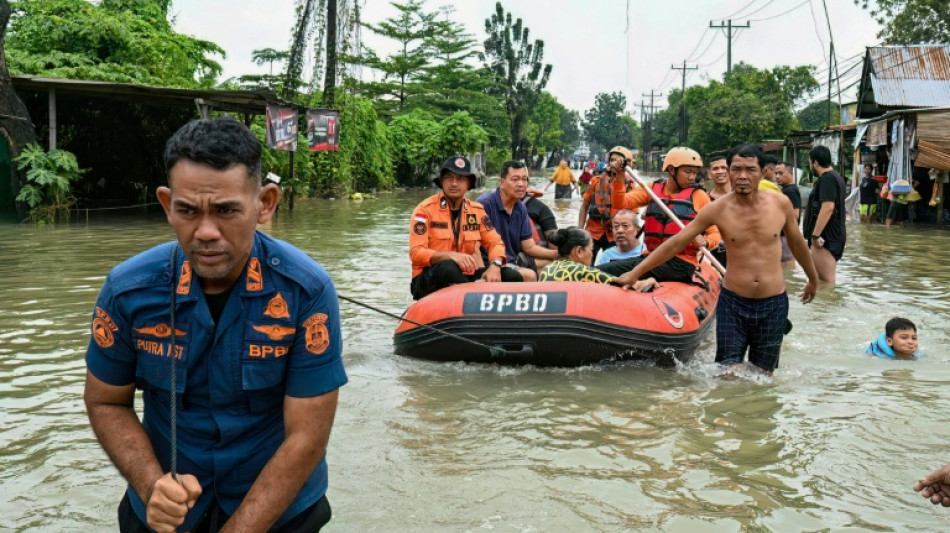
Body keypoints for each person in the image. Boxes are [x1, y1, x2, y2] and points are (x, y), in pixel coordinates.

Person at [83, 117, 347, 533]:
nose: (205, 232)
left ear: (265, 204)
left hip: (278, 513)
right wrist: (151, 485)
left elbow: (307, 437)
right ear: (168, 204)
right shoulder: (127, 290)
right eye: (188, 211)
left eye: (226, 211)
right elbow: (105, 401)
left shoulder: (307, 292)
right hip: (165, 515)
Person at [614, 143, 819, 375]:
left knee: (763, 376)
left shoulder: (780, 203)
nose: (742, 176)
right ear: (729, 171)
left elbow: (798, 243)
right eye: (736, 169)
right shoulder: (717, 209)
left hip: (773, 303)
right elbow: (676, 243)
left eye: (750, 170)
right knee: (726, 373)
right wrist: (634, 273)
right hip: (733, 303)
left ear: (762, 173)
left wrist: (813, 278)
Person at [597, 147, 721, 285]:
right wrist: (619, 177)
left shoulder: (699, 196)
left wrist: (706, 241)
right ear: (672, 170)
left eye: (694, 172)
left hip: (680, 264)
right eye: (687, 172)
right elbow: (620, 203)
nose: (692, 177)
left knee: (611, 272)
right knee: (601, 270)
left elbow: (715, 233)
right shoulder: (652, 188)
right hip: (651, 258)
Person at [409, 156, 523, 299]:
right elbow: (416, 253)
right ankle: (474, 297)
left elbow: (495, 242)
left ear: (469, 184)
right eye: (449, 178)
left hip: (464, 275)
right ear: (442, 182)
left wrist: (495, 265)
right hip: (428, 278)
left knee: (511, 275)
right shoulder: (424, 210)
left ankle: (489, 311)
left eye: (461, 179)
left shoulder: (477, 211)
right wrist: (451, 255)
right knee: (448, 267)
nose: (454, 183)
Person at [478, 161, 559, 280]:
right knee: (529, 275)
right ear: (502, 182)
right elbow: (473, 244)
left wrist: (557, 254)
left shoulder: (520, 208)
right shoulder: (484, 204)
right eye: (515, 179)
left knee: (555, 266)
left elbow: (528, 246)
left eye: (524, 179)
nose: (521, 184)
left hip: (512, 260)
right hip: (490, 263)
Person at [578, 146, 634, 265]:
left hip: (615, 235)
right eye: (612, 160)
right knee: (585, 267)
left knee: (613, 270)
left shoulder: (630, 185)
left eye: (618, 160)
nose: (614, 163)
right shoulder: (596, 181)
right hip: (593, 231)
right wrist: (579, 230)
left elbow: (634, 216)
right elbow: (584, 206)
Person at [802, 145, 847, 284]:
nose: (810, 166)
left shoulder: (828, 179)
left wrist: (815, 236)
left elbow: (828, 208)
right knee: (822, 283)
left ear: (815, 162)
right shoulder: (835, 177)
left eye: (810, 162)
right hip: (830, 236)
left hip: (825, 238)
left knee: (825, 284)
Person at [538, 227, 615, 284]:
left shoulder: (546, 269)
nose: (592, 255)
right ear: (579, 251)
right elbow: (617, 283)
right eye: (591, 250)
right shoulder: (583, 271)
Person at [775, 161, 802, 268]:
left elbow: (795, 214)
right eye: (776, 173)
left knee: (786, 266)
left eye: (781, 173)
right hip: (786, 235)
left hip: (786, 236)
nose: (777, 176)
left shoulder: (790, 191)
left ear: (790, 173)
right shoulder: (787, 189)